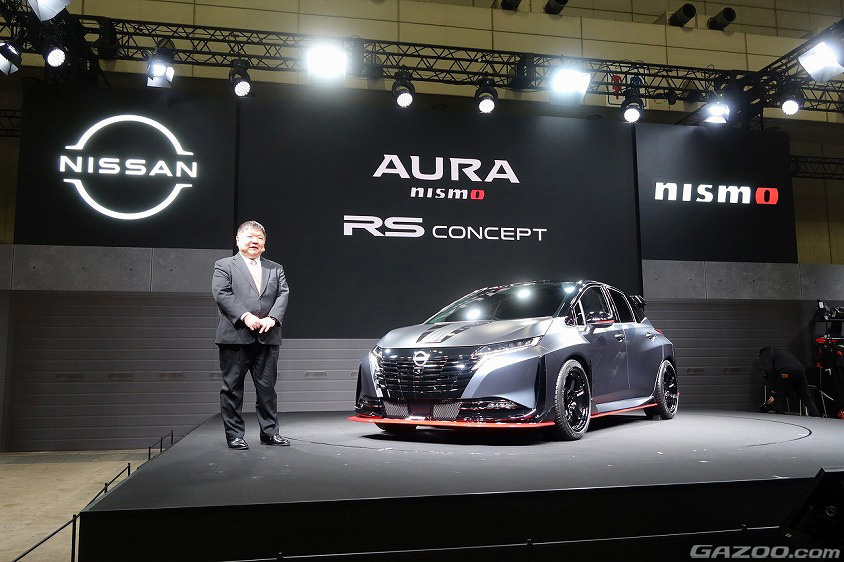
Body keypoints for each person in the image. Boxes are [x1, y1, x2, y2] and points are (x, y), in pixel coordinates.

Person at [212, 221, 290, 449]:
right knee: (232, 389)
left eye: (259, 237)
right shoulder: (224, 265)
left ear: (264, 243)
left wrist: (272, 318)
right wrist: (245, 316)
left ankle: (270, 433)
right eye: (249, 236)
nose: (254, 241)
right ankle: (234, 435)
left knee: (267, 390)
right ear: (238, 240)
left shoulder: (275, 268)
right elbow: (221, 293)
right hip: (235, 337)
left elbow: (283, 294)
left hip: (267, 337)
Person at [758, 346, 820, 417]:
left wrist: (773, 391)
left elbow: (770, 370)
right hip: (800, 371)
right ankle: (817, 417)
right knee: (806, 397)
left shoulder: (764, 354)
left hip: (785, 372)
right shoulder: (781, 352)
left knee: (780, 398)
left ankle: (780, 419)